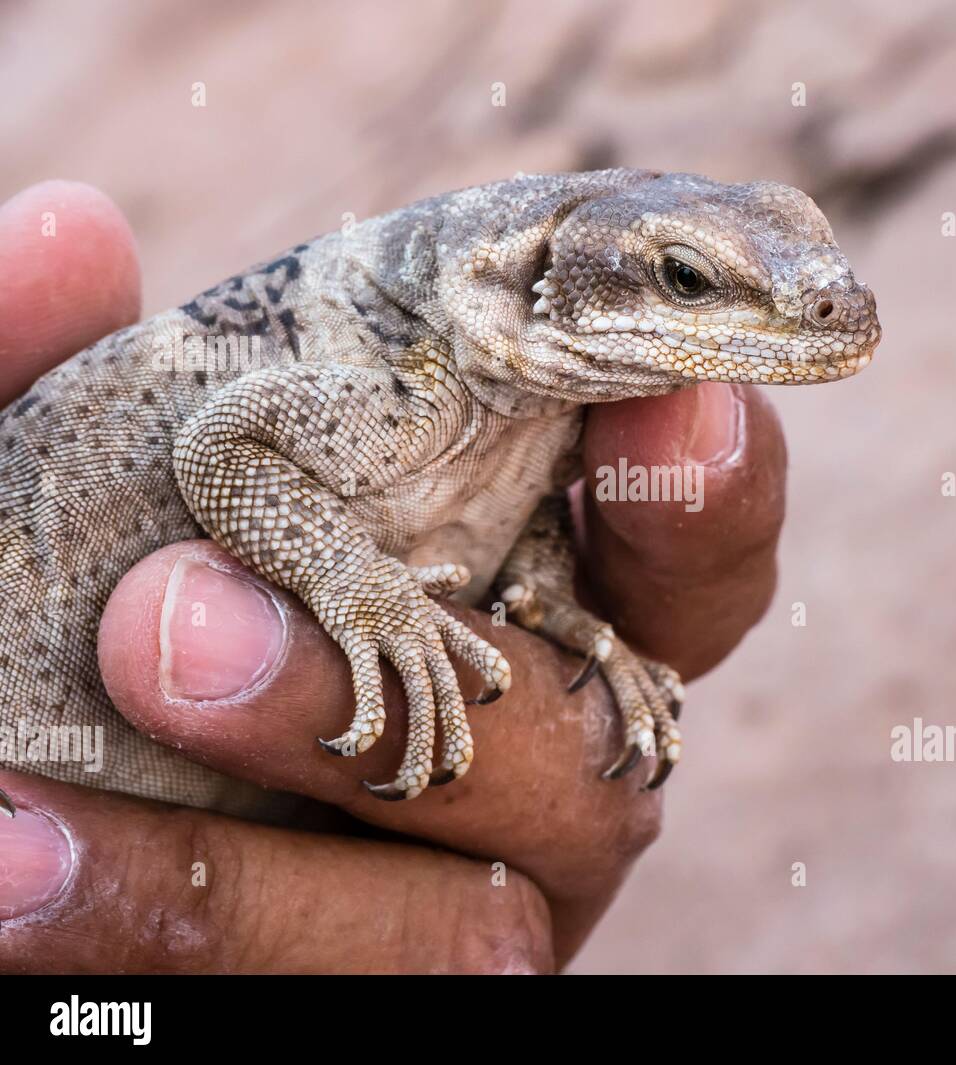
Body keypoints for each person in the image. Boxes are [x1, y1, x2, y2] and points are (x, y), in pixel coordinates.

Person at [0, 180, 789, 972]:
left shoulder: (531, 397)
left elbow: (533, 499)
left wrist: (551, 605)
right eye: (685, 280)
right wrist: (361, 588)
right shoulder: (415, 378)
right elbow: (223, 451)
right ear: (545, 284)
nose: (821, 307)